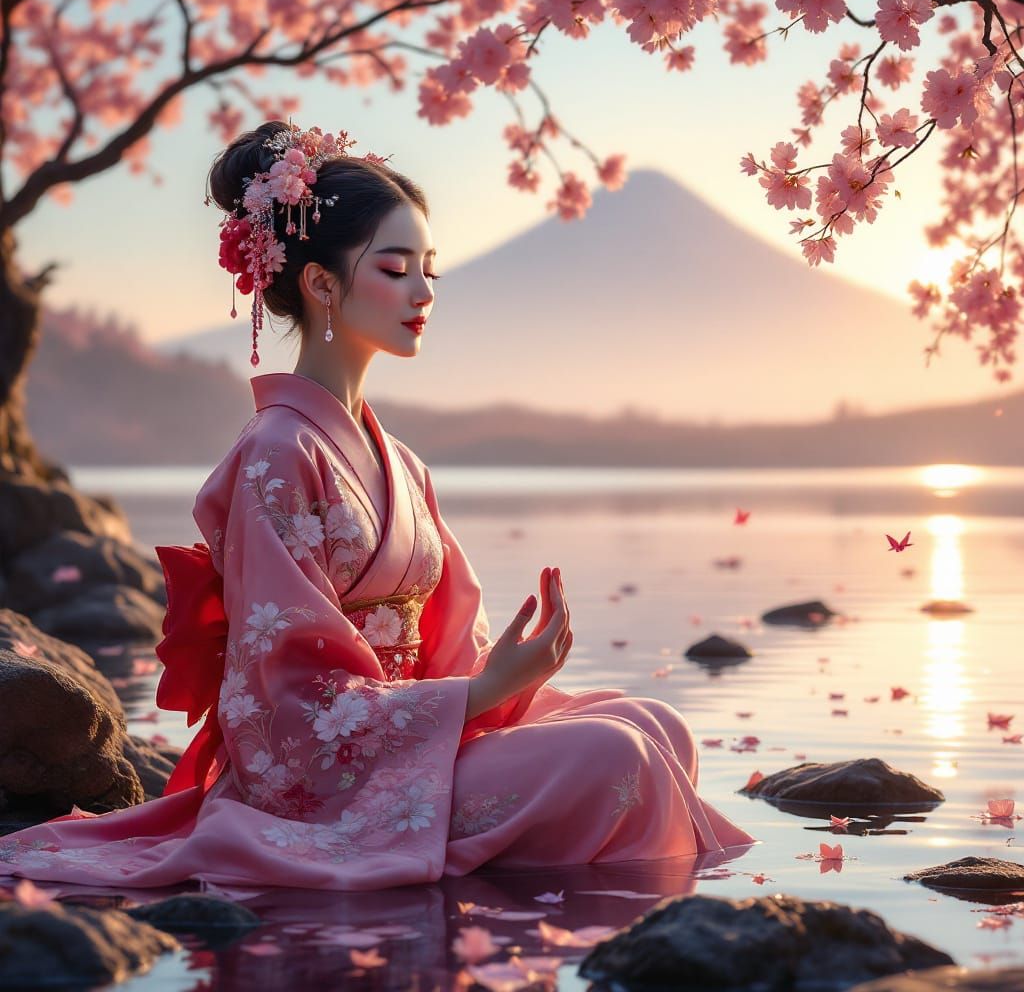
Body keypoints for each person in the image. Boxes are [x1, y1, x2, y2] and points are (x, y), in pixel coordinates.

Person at [0, 121, 755, 892]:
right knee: (615, 758)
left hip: (411, 735)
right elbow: (288, 697)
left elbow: (448, 637)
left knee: (659, 725)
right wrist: (482, 694)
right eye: (396, 269)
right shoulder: (277, 453)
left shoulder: (400, 461)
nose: (424, 292)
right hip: (328, 777)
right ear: (323, 284)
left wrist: (508, 673)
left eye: (430, 270)